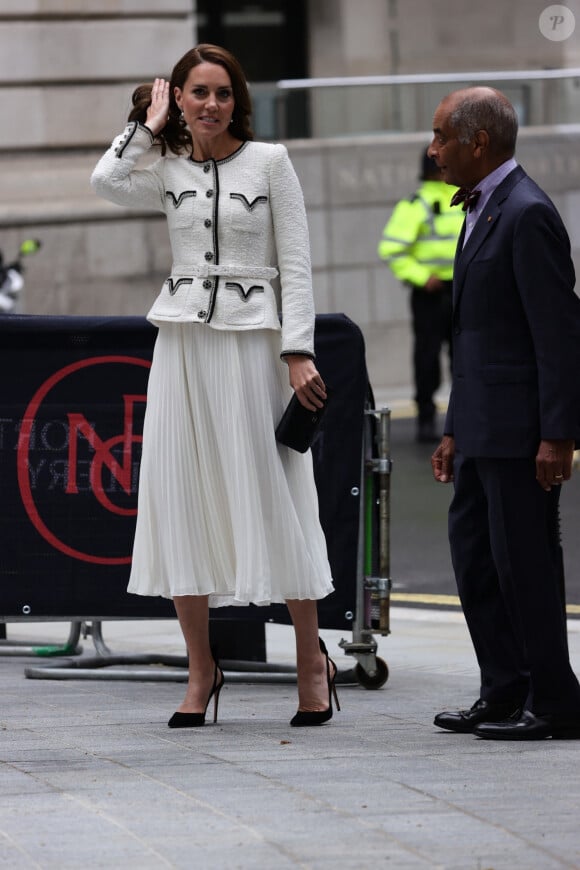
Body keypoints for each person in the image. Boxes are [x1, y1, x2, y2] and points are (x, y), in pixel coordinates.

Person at [91, 44, 340, 729]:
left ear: (239, 101)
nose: (211, 104)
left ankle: (310, 664)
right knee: (182, 492)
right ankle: (202, 669)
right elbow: (106, 181)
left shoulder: (271, 163)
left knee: (274, 489)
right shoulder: (164, 166)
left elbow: (296, 262)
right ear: (179, 96)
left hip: (256, 347)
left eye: (222, 93)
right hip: (183, 347)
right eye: (197, 92)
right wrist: (148, 123)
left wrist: (298, 351)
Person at [429, 86, 580, 740]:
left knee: (526, 567)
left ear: (477, 143)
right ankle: (504, 687)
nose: (432, 152)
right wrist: (453, 427)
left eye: (440, 138)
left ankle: (555, 702)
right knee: (477, 561)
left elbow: (558, 335)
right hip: (480, 432)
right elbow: (474, 336)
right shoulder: (482, 209)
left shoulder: (527, 214)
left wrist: (558, 435)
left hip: (521, 436)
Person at [377, 148, 464, 443]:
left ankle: (458, 417)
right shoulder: (419, 204)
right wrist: (421, 276)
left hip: (458, 290)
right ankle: (426, 415)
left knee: (459, 357)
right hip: (432, 293)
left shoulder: (463, 196)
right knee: (430, 357)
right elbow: (391, 248)